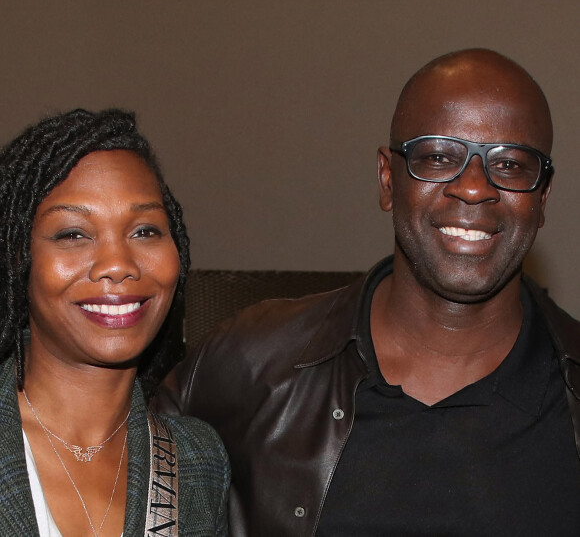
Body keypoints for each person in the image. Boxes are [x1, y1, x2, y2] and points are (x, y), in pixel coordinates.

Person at [154, 49, 580, 536]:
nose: (474, 188)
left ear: (542, 199)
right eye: (438, 156)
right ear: (387, 179)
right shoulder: (248, 363)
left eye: (511, 165)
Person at [0, 109, 229, 536]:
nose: (119, 265)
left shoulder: (197, 461)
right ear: (19, 257)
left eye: (145, 231)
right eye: (73, 234)